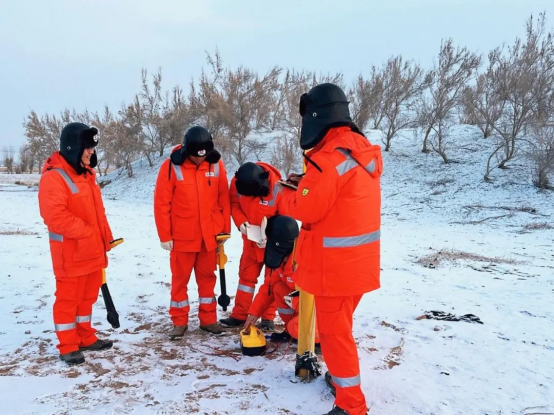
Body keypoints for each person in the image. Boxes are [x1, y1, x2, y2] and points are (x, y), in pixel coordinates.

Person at [286, 83, 383, 416]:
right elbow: (337, 196)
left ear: (316, 118)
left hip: (335, 268)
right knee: (340, 329)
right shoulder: (359, 148)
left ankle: (351, 405)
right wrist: (306, 183)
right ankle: (343, 382)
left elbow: (307, 210)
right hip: (359, 264)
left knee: (334, 335)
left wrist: (290, 193)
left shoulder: (327, 159)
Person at [38, 122, 115, 366]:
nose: (91, 152)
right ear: (73, 147)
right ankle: (68, 345)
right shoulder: (54, 177)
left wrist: (105, 236)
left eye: (92, 147)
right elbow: (54, 216)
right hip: (70, 254)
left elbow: (98, 212)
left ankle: (85, 336)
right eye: (87, 147)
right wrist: (87, 233)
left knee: (87, 298)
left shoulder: (87, 174)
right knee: (68, 300)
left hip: (92, 251)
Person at [154, 126, 231, 339]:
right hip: (182, 238)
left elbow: (223, 198)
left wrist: (225, 230)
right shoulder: (170, 167)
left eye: (203, 156)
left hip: (210, 236)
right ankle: (179, 322)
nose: (200, 160)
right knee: (180, 280)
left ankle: (209, 320)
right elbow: (162, 203)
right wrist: (165, 236)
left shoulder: (216, 164)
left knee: (208, 279)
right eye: (196, 156)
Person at [219, 162, 294, 331]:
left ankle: (267, 318)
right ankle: (239, 315)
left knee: (271, 282)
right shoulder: (237, 183)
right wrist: (241, 223)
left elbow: (285, 221)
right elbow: (234, 204)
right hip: (251, 241)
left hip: (273, 245)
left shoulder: (278, 188)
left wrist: (272, 237)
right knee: (246, 279)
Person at [242, 215, 320, 345]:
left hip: (319, 312)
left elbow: (315, 299)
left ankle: (318, 341)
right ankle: (291, 332)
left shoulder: (303, 262)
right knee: (278, 288)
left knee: (296, 328)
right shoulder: (282, 261)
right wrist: (254, 313)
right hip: (301, 307)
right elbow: (269, 286)